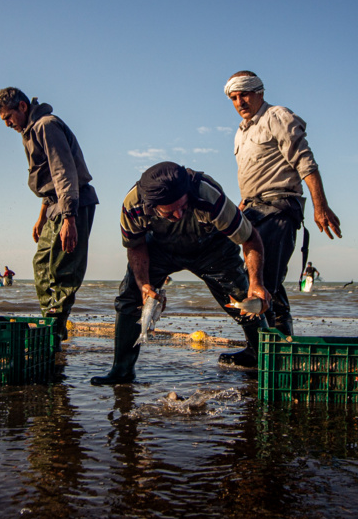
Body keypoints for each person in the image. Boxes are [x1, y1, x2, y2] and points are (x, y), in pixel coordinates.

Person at [92, 161, 270, 385]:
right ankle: (121, 370)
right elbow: (135, 245)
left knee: (244, 299)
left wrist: (256, 283)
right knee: (130, 298)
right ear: (151, 206)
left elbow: (250, 238)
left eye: (183, 208)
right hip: (159, 249)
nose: (178, 214)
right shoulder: (133, 205)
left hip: (211, 248)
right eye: (170, 212)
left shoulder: (208, 196)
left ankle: (262, 361)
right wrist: (144, 285)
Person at [226, 71, 341, 336]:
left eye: (244, 94)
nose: (240, 102)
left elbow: (305, 161)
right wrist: (243, 204)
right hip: (253, 211)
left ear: (260, 93)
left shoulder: (276, 116)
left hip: (278, 208)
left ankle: (263, 351)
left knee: (265, 283)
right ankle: (278, 345)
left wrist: (319, 206)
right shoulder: (242, 132)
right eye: (234, 97)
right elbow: (256, 171)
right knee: (264, 282)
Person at [0, 87, 99, 339]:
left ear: (22, 107)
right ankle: (50, 325)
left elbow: (63, 171)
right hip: (53, 205)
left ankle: (54, 332)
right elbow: (46, 177)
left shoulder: (46, 125)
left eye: (8, 117)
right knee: (41, 264)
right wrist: (41, 216)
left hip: (73, 202)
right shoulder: (28, 133)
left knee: (64, 269)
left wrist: (69, 219)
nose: (7, 124)